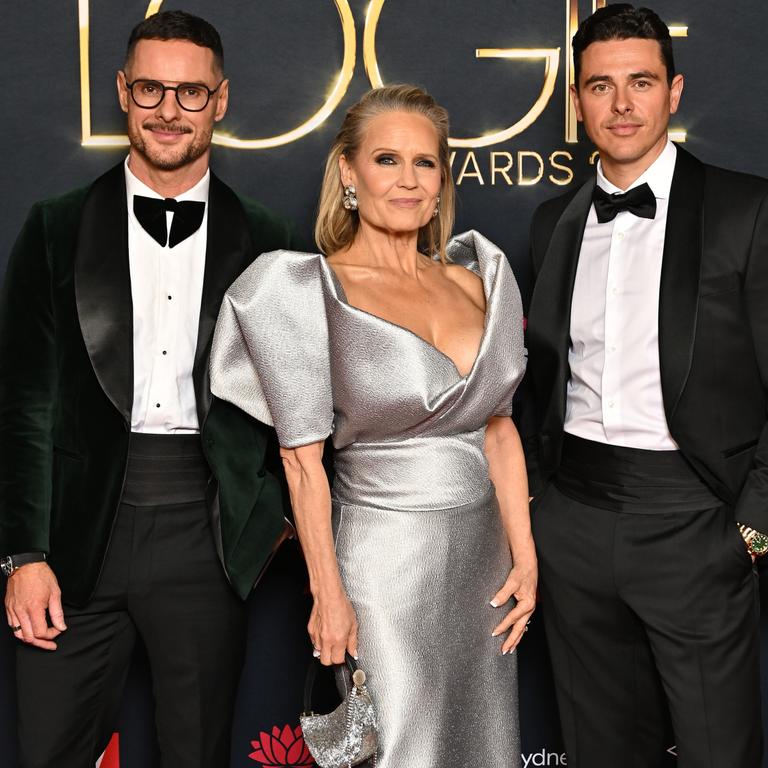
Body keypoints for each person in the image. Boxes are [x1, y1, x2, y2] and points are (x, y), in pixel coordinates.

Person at [210, 84, 536, 767]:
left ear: (443, 180)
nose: (409, 180)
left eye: (426, 163)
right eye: (388, 160)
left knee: (480, 744)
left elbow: (498, 430)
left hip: (484, 564)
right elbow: (302, 461)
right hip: (383, 564)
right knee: (398, 746)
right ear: (349, 173)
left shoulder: (480, 280)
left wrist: (526, 556)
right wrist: (329, 593)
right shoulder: (307, 291)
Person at [0, 10, 293, 767]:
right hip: (74, 529)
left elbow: (300, 402)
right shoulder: (53, 227)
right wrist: (24, 554)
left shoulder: (268, 239)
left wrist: (268, 519)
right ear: (124, 93)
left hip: (205, 528)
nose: (170, 110)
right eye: (153, 90)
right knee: (49, 750)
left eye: (191, 93)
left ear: (221, 101)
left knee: (196, 751)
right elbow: (24, 402)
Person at [523, 4, 767, 767]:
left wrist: (753, 526)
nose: (621, 104)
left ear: (675, 91)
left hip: (696, 522)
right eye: (601, 85)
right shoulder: (550, 219)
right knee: (598, 748)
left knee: (715, 750)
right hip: (574, 518)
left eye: (640, 82)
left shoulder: (747, 211)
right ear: (577, 99)